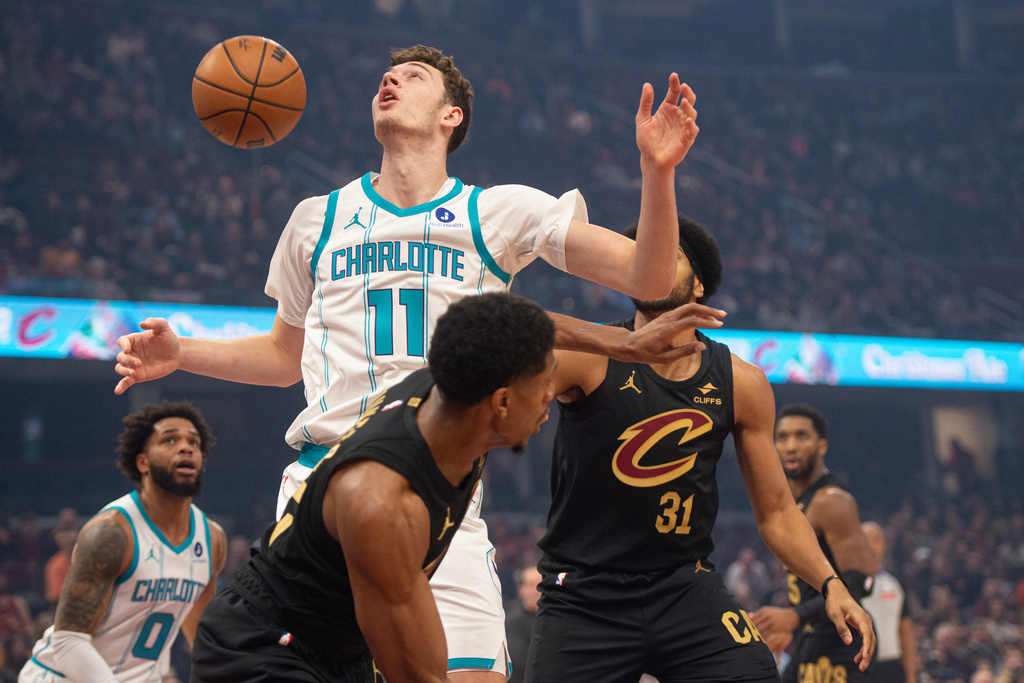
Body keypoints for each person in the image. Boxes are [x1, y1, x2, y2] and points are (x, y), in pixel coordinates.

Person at [113, 44, 704, 681]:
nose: (389, 78)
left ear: (451, 116)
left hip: (441, 497)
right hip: (329, 488)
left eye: (412, 75)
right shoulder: (317, 220)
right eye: (385, 75)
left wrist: (658, 172)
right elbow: (285, 359)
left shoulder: (498, 212)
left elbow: (648, 276)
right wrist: (183, 355)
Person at [525, 215, 875, 683]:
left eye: (667, 256)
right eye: (639, 258)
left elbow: (776, 511)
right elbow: (505, 347)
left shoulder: (742, 382)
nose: (649, 264)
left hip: (683, 586)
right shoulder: (590, 355)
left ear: (698, 287)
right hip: (585, 594)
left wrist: (831, 584)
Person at [190, 292, 555, 682]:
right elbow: (416, 676)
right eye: (544, 387)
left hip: (335, 646)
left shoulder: (455, 395)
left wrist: (620, 342)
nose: (551, 398)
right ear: (500, 402)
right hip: (261, 647)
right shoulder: (382, 504)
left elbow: (510, 333)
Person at [18, 401, 226, 683]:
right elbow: (68, 641)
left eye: (194, 442)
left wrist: (165, 673)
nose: (186, 447)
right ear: (142, 461)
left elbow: (199, 634)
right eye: (170, 440)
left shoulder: (212, 540)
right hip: (60, 676)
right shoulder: (111, 533)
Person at [751, 403, 879, 683]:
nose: (791, 446)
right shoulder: (789, 503)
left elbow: (861, 582)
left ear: (822, 446)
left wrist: (794, 616)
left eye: (801, 436)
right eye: (782, 438)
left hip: (843, 644)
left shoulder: (830, 500)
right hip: (811, 636)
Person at [860, 521, 917, 683]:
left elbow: (905, 631)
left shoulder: (896, 583)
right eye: (865, 539)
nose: (870, 544)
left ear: (883, 545)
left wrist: (911, 675)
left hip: (891, 666)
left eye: (875, 539)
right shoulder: (845, 583)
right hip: (858, 666)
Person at [504, 565, 541, 683]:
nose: (537, 591)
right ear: (521, 591)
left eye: (540, 585)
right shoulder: (512, 622)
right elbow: (522, 664)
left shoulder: (556, 619)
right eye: (531, 585)